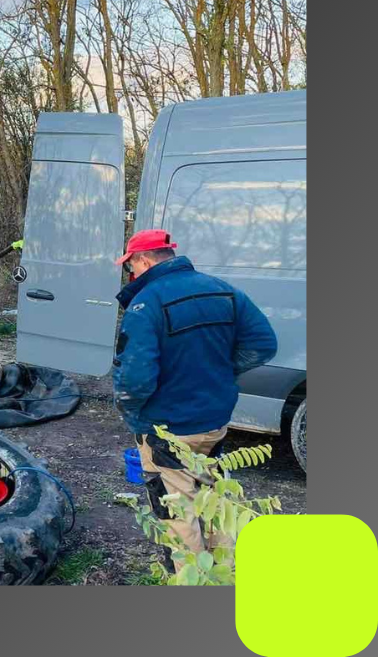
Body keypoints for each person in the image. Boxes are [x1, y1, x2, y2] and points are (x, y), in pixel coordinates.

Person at [112, 229, 277, 572]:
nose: (131, 275)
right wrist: (219, 372)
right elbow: (263, 344)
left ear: (144, 260)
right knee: (213, 497)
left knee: (176, 510)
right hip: (213, 420)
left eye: (131, 267)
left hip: (166, 427)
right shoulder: (223, 290)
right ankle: (225, 570)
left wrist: (132, 416)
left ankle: (190, 578)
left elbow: (135, 378)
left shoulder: (146, 304)